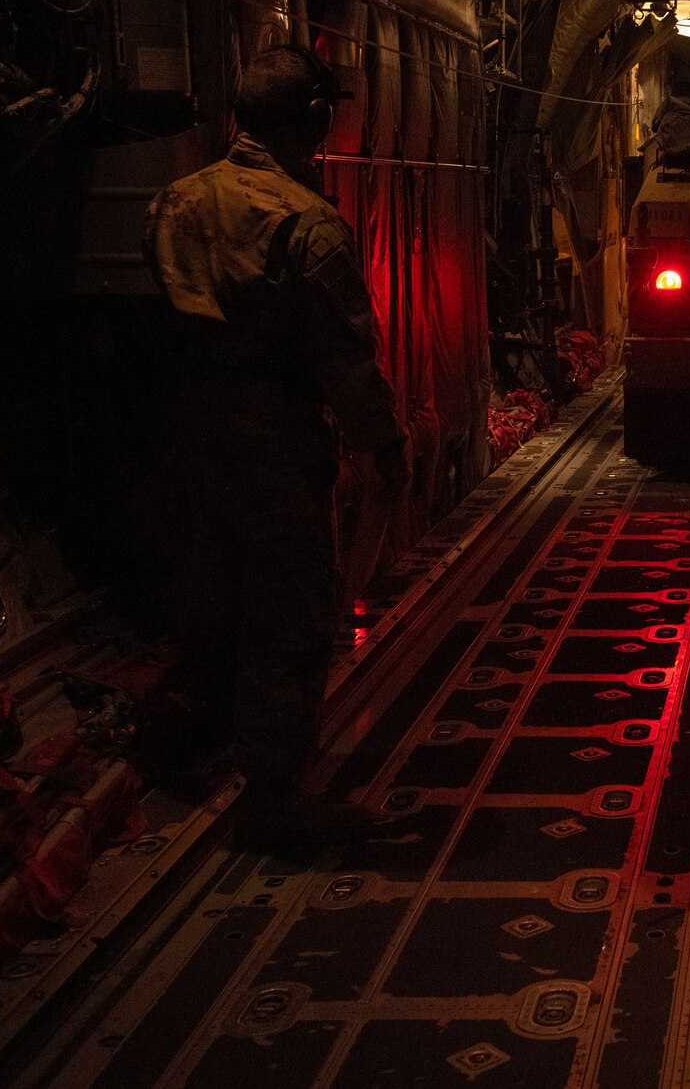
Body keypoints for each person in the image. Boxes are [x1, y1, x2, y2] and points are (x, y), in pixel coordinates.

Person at [139, 45, 408, 855]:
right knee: (292, 609)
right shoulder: (308, 226)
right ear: (314, 124)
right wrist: (384, 449)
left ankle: (197, 742)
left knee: (213, 592)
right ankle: (275, 794)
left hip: (191, 430)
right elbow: (345, 363)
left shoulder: (173, 203)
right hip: (275, 436)